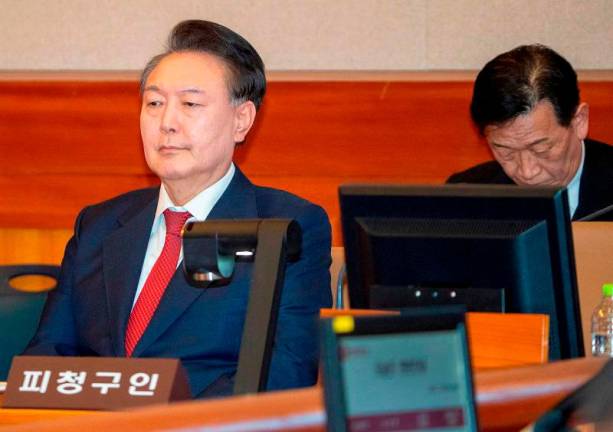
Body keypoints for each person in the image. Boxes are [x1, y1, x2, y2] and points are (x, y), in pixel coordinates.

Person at [24, 20, 332, 398]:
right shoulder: (99, 225)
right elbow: (47, 357)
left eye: (190, 104)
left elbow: (286, 372)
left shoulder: (285, 226)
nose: (167, 123)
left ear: (241, 120)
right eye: (154, 103)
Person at [447, 44, 613, 220]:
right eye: (506, 152)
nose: (527, 172)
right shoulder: (466, 197)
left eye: (541, 149)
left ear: (579, 121)